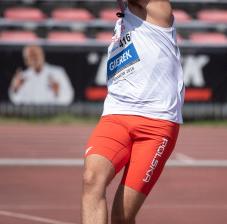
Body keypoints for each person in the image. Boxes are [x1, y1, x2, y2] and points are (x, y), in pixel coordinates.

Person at [81, 0, 185, 223]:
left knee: (123, 216)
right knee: (91, 179)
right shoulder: (124, 18)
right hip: (116, 114)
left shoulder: (158, 7)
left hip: (156, 123)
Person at [9, 45, 74, 105]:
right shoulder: (21, 77)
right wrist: (16, 89)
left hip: (53, 115)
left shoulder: (58, 72)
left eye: (35, 55)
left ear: (42, 55)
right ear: (26, 61)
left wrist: (57, 92)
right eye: (30, 56)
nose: (34, 58)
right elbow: (15, 101)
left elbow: (69, 98)